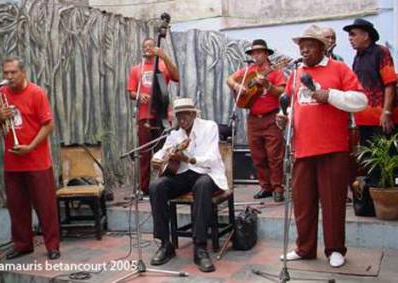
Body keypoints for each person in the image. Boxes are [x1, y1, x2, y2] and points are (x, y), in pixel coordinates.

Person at [276, 25, 367, 267]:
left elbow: (361, 100)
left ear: (322, 47)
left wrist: (330, 95)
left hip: (332, 149)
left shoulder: (338, 69)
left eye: (309, 44)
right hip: (302, 149)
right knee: (303, 204)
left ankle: (335, 250)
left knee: (332, 202)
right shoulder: (295, 74)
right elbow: (288, 103)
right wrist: (283, 116)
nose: (304, 49)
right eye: (301, 45)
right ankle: (304, 248)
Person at [0, 57, 60, 260]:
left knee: (45, 206)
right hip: (12, 161)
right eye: (6, 73)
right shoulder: (0, 94)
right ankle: (23, 245)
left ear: (23, 73)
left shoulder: (36, 93)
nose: (9, 77)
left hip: (37, 160)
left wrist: (30, 147)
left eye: (13, 72)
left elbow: (48, 125)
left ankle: (52, 245)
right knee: (17, 206)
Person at [148, 97, 228, 272]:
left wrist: (188, 158)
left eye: (184, 114)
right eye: (178, 115)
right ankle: (165, 244)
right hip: (184, 175)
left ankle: (200, 247)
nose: (181, 119)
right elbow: (162, 152)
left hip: (208, 174)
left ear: (193, 113)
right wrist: (157, 159)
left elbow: (211, 158)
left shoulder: (209, 127)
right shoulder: (175, 134)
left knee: (202, 185)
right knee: (156, 187)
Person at [226, 39, 286, 202]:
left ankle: (278, 187)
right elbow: (229, 79)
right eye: (253, 53)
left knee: (274, 155)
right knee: (258, 155)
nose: (256, 55)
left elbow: (281, 92)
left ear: (267, 54)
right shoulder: (248, 71)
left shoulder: (275, 71)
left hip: (271, 117)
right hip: (253, 119)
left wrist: (268, 85)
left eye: (259, 52)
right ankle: (265, 186)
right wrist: (237, 87)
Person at [343, 18, 398, 187]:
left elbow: (390, 84)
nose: (350, 38)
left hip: (383, 119)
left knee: (390, 162)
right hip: (364, 120)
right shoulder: (357, 58)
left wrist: (386, 112)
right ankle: (375, 199)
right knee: (371, 162)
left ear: (366, 35)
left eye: (353, 34)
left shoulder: (381, 52)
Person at [127, 37, 179, 195]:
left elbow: (176, 77)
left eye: (151, 46)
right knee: (144, 155)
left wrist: (164, 56)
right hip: (144, 117)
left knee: (163, 153)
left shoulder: (162, 66)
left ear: (155, 48)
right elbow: (130, 92)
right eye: (145, 46)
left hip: (162, 116)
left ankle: (163, 187)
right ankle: (144, 189)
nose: (148, 48)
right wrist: (138, 95)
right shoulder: (137, 69)